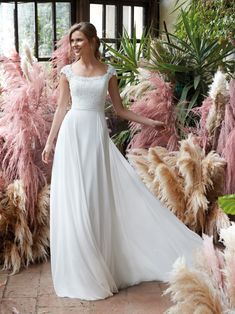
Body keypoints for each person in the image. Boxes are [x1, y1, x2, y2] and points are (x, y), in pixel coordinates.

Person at [42, 22, 202, 300]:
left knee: (93, 200)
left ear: (93, 41)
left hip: (95, 138)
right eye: (73, 41)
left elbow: (120, 109)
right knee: (74, 200)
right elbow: (61, 108)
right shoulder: (67, 72)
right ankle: (79, 268)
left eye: (80, 40)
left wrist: (150, 121)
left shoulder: (108, 73)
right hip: (72, 136)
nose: (75, 45)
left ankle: (98, 264)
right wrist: (49, 141)